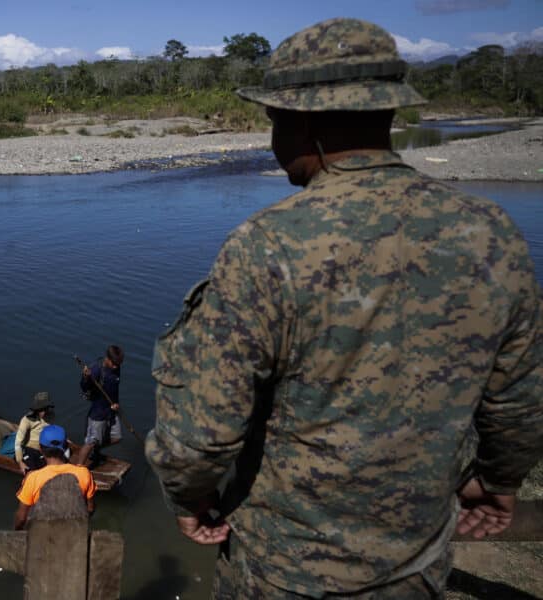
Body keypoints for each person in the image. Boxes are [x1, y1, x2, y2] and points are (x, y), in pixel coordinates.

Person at [144, 18, 543, 600]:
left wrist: (191, 498)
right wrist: (501, 480)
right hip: (417, 558)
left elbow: (201, 431)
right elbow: (519, 399)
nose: (273, 139)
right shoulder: (492, 233)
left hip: (285, 568)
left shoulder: (268, 245)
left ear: (303, 124)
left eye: (275, 121)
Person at [13, 425, 96, 530]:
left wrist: (17, 531)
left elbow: (21, 518)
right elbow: (90, 508)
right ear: (66, 447)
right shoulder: (84, 473)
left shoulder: (33, 478)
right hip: (73, 532)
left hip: (43, 533)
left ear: (40, 448)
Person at [78, 345, 124, 466]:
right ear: (107, 359)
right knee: (91, 442)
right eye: (114, 363)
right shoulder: (96, 369)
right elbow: (84, 387)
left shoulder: (117, 368)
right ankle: (78, 468)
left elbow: (115, 388)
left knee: (117, 437)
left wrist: (116, 404)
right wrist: (86, 377)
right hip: (98, 413)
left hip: (111, 410)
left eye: (118, 364)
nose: (116, 366)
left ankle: (96, 449)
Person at [15, 391, 54, 473]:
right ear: (37, 409)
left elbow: (52, 430)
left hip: (43, 449)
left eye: (46, 409)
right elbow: (18, 442)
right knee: (32, 473)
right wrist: (20, 462)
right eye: (41, 410)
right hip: (29, 449)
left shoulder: (51, 416)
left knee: (50, 470)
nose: (44, 412)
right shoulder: (26, 420)